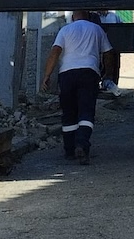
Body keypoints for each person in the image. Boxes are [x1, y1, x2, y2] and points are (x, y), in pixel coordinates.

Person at [41, 10, 114, 165]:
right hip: (89, 72)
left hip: (67, 74)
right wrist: (108, 75)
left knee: (69, 112)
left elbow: (55, 52)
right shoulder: (97, 29)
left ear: (73, 17)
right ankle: (81, 143)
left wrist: (47, 75)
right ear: (88, 16)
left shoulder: (65, 30)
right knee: (86, 111)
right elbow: (108, 53)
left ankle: (69, 150)